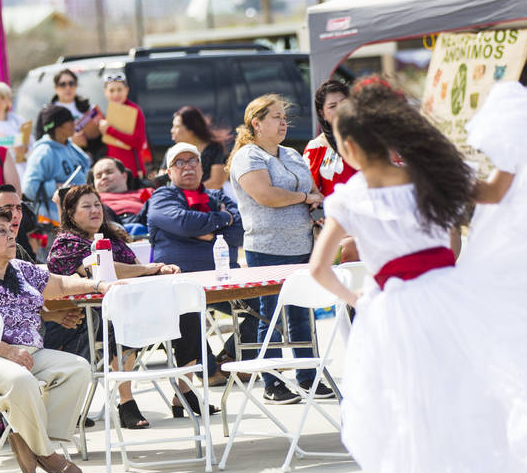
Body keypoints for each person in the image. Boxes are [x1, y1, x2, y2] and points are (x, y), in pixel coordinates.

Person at [308, 78, 527, 473]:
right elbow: (498, 190)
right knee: (474, 422)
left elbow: (318, 269)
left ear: (352, 147)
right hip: (453, 303)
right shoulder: (432, 178)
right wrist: (515, 147)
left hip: (395, 317)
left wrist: (358, 298)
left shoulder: (349, 198)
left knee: (402, 432)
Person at [0, 207, 105, 473]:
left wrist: (99, 284)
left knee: (78, 369)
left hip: (27, 353)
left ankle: (30, 441)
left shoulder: (19, 268)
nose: (11, 236)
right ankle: (46, 452)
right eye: (2, 231)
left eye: (11, 230)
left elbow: (60, 284)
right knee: (20, 381)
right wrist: (6, 350)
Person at [47, 184, 181, 428]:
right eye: (86, 206)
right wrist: (147, 269)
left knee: (184, 313)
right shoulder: (66, 244)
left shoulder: (114, 239)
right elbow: (98, 268)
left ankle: (185, 393)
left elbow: (137, 268)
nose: (94, 210)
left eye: (97, 204)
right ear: (71, 213)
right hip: (81, 319)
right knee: (120, 319)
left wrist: (159, 269)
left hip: (128, 309)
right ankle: (126, 401)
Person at [227, 95, 326, 405]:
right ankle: (272, 382)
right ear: (256, 123)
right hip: (267, 248)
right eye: (276, 117)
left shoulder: (293, 155)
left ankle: (308, 377)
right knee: (270, 317)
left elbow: (313, 193)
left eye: (285, 117)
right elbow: (266, 196)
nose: (284, 123)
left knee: (302, 315)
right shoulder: (248, 156)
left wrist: (313, 205)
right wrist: (303, 198)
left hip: (302, 244)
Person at [146, 142, 244, 402]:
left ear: (202, 168)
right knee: (189, 311)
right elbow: (182, 222)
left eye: (192, 161)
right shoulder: (161, 198)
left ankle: (228, 358)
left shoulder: (218, 197)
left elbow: (238, 232)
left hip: (224, 282)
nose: (187, 166)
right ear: (169, 171)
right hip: (181, 286)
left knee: (268, 307)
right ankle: (200, 377)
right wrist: (221, 222)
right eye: (179, 162)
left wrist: (203, 232)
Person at [22, 105, 91, 221]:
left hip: (80, 217)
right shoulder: (43, 152)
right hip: (54, 221)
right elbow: (29, 189)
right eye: (70, 120)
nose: (75, 123)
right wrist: (56, 187)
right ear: (58, 126)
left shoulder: (72, 147)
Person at [304, 80, 356, 197]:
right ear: (322, 114)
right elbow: (308, 192)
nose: (340, 109)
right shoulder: (316, 148)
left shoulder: (372, 138)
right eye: (332, 106)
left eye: (344, 103)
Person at [95, 71, 149, 176]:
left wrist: (110, 130)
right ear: (105, 92)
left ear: (127, 90)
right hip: (111, 170)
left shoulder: (134, 111)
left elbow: (138, 142)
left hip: (131, 171)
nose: (116, 94)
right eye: (111, 90)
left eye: (119, 90)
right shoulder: (104, 112)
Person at [49, 68, 104, 159]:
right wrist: (70, 141)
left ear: (76, 85)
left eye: (71, 83)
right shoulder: (49, 113)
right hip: (63, 160)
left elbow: (99, 140)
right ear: (56, 88)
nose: (68, 88)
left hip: (89, 158)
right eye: (63, 84)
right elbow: (45, 140)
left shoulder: (88, 107)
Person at [170, 106, 227, 189]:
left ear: (191, 129)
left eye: (177, 126)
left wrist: (189, 192)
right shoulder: (173, 151)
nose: (172, 130)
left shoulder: (215, 149)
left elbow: (216, 183)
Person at [0, 82, 29, 174]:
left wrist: (24, 150)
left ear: (6, 101)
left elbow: (31, 147)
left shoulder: (18, 121)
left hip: (20, 172)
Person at [89, 157, 153, 219]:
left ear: (124, 176)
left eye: (109, 172)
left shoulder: (147, 192)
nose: (104, 177)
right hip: (110, 225)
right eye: (98, 176)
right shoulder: (89, 199)